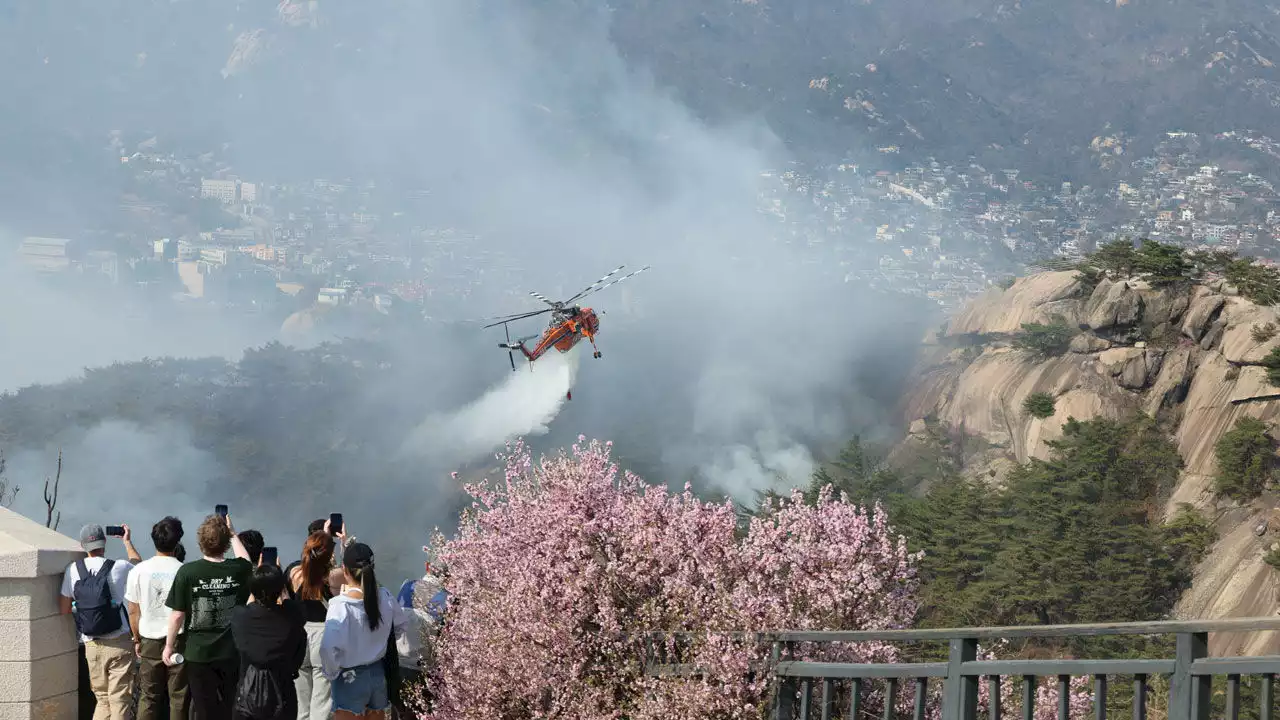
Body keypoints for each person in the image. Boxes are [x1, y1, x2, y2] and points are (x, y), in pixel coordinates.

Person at [164, 513, 254, 720]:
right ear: (226, 542)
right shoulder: (239, 569)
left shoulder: (188, 572)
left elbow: (178, 614)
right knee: (231, 706)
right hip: (231, 651)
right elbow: (246, 560)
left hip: (198, 653)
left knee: (204, 709)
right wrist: (233, 533)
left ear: (200, 542)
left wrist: (169, 646)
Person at [60, 523, 141, 720]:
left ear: (83, 546)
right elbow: (139, 567)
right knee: (120, 700)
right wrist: (127, 541)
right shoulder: (119, 567)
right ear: (103, 543)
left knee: (103, 700)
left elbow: (63, 609)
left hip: (91, 645)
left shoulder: (73, 570)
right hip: (119, 643)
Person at [320, 542, 409, 720]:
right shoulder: (385, 596)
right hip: (378, 674)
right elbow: (401, 626)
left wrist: (331, 673)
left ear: (344, 570)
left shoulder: (340, 605)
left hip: (349, 678)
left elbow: (328, 648)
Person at [126, 516, 188, 720]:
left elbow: (133, 611)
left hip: (149, 640)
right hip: (179, 640)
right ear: (177, 540)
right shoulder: (184, 571)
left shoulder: (138, 571)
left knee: (149, 697)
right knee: (178, 696)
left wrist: (136, 639)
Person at [230, 564, 306, 720]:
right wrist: (281, 587)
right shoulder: (292, 618)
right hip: (283, 694)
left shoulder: (240, 617)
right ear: (281, 589)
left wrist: (257, 581)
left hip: (247, 694)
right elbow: (293, 608)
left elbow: (250, 606)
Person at [287, 530, 339, 719]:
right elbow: (352, 575)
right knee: (322, 700)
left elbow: (311, 562)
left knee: (301, 701)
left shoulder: (296, 574)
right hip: (323, 635)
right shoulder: (334, 577)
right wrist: (343, 543)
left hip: (299, 634)